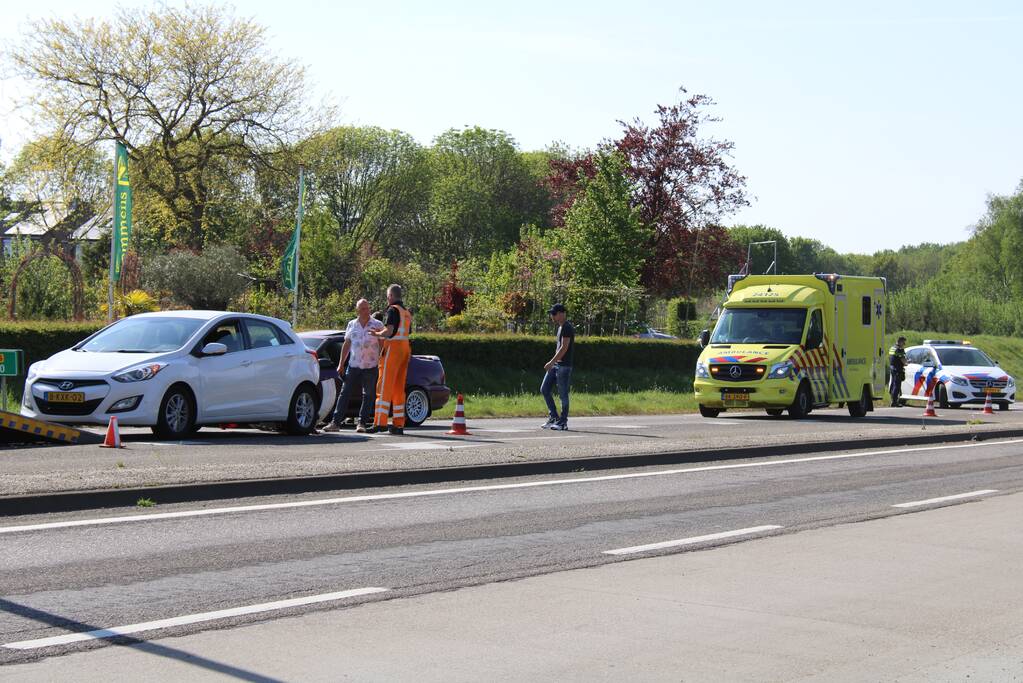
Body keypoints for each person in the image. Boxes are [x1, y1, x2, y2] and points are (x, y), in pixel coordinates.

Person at [323, 299, 384, 433]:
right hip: (354, 364)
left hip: (371, 365)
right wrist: (341, 364)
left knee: (368, 395)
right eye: (363, 309)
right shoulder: (352, 324)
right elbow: (346, 344)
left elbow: (383, 342)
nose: (366, 311)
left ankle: (361, 423)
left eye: (368, 308)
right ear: (357, 310)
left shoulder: (377, 324)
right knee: (345, 393)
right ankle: (335, 423)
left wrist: (381, 359)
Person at [369, 284, 413, 435]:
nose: (387, 299)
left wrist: (377, 334)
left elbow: (389, 331)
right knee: (398, 388)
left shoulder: (392, 310)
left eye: (388, 296)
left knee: (384, 385)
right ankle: (398, 424)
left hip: (393, 349)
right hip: (405, 349)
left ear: (391, 296)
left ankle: (380, 422)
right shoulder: (406, 312)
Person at [540, 303, 574, 431]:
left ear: (561, 314)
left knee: (563, 394)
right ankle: (553, 417)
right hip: (556, 365)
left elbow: (564, 347)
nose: (552, 316)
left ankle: (563, 422)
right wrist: (554, 363)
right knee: (544, 389)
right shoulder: (560, 327)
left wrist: (551, 362)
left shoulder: (567, 328)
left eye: (554, 314)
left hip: (564, 366)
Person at [889, 336, 908, 407]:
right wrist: (906, 363)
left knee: (893, 385)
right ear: (900, 341)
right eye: (903, 342)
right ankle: (894, 402)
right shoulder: (899, 349)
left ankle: (892, 400)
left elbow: (893, 358)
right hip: (898, 369)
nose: (904, 344)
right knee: (897, 386)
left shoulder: (892, 348)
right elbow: (903, 359)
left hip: (892, 368)